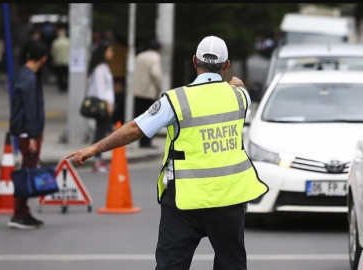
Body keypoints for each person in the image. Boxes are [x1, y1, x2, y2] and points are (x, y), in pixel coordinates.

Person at [65, 36, 269, 270]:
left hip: (185, 200)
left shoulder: (177, 100)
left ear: (195, 61)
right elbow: (240, 88)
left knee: (171, 266)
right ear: (226, 65)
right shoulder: (240, 97)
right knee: (231, 264)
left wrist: (94, 148)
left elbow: (135, 129)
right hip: (229, 199)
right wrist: (237, 84)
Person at [9, 41, 48, 229]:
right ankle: (19, 214)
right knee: (27, 171)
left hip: (25, 131)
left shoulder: (23, 75)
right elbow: (30, 109)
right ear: (43, 58)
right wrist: (34, 135)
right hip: (28, 132)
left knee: (27, 168)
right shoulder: (29, 78)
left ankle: (23, 211)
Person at [86, 42, 115, 173]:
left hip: (105, 104)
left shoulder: (103, 67)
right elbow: (101, 89)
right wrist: (108, 104)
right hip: (102, 105)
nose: (111, 54)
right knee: (100, 132)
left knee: (102, 131)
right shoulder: (100, 68)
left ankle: (98, 158)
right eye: (109, 51)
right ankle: (96, 159)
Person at [133, 39, 163, 148]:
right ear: (158, 49)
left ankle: (140, 141)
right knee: (150, 119)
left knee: (139, 118)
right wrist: (159, 87)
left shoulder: (139, 56)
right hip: (149, 92)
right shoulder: (155, 57)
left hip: (137, 91)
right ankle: (146, 143)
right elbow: (156, 74)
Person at [51, 28, 69, 93]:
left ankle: (61, 87)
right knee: (66, 75)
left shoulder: (55, 42)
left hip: (58, 62)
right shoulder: (68, 42)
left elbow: (53, 53)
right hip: (67, 61)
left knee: (59, 75)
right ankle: (66, 86)